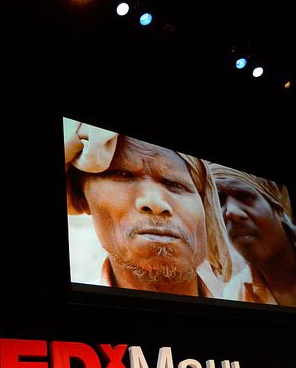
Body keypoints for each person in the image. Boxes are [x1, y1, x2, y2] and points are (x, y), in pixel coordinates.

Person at [64, 118, 232, 297]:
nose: (156, 203)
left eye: (175, 184)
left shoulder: (241, 298)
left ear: (204, 205)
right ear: (82, 198)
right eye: (123, 175)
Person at [208, 162, 296, 308]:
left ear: (278, 209)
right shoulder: (234, 294)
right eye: (219, 201)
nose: (231, 212)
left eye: (244, 196)